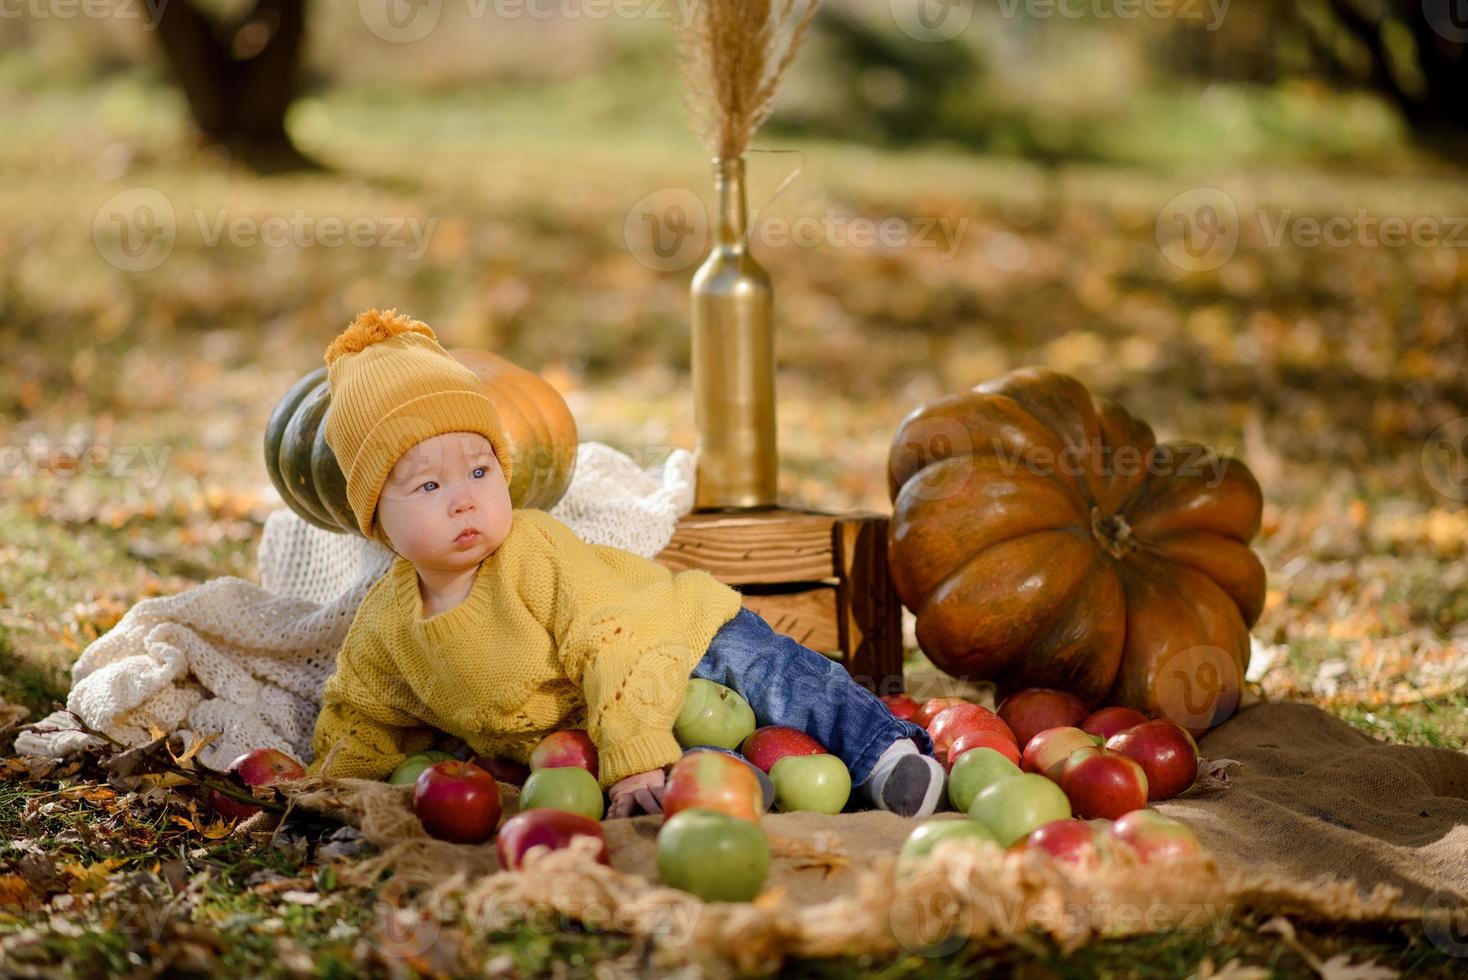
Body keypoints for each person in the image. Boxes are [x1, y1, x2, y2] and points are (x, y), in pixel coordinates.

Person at [306, 309, 944, 818]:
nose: (465, 499)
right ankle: (739, 788)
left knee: (778, 677)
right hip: (604, 715)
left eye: (480, 471)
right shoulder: (388, 626)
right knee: (681, 754)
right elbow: (360, 713)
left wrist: (634, 753)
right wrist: (333, 790)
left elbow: (609, 644)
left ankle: (882, 751)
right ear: (373, 519)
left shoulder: (532, 550)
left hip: (675, 634)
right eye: (428, 487)